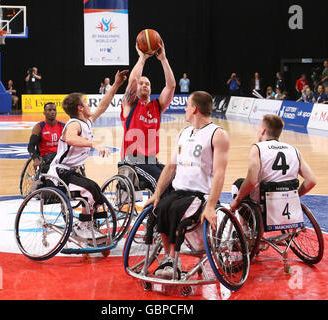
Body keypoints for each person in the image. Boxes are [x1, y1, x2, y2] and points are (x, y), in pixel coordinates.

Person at [144, 91, 230, 278]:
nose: (185, 108)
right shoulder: (183, 133)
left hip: (200, 196)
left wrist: (212, 206)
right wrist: (157, 193)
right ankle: (168, 258)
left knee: (175, 210)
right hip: (179, 192)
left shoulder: (217, 134)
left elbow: (220, 174)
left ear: (195, 109)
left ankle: (173, 259)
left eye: (188, 105)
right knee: (159, 207)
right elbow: (170, 167)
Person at [46, 70, 129, 238]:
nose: (90, 105)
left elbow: (103, 105)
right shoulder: (74, 124)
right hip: (59, 173)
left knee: (95, 189)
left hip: (70, 172)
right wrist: (94, 144)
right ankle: (81, 225)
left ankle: (90, 223)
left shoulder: (86, 122)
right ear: (80, 108)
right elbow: (70, 138)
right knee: (90, 189)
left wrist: (117, 84)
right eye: (86, 103)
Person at [230, 114, 316, 214]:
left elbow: (251, 181)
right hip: (286, 205)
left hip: (263, 208)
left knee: (238, 184)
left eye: (259, 128)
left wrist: (237, 200)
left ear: (263, 131)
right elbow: (312, 180)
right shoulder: (294, 150)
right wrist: (295, 196)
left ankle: (244, 227)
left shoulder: (257, 148)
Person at [120, 41, 175, 193]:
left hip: (152, 161)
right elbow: (132, 81)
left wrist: (163, 59)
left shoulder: (157, 106)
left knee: (177, 178)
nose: (144, 85)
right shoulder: (130, 104)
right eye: (141, 83)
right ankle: (158, 215)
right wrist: (142, 58)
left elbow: (170, 87)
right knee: (161, 184)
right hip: (133, 163)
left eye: (147, 84)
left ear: (151, 89)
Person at [27, 102, 65, 173]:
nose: (52, 112)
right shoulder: (39, 127)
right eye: (49, 110)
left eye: (54, 110)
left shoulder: (63, 126)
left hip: (61, 157)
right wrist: (35, 159)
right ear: (44, 112)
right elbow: (31, 146)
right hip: (46, 158)